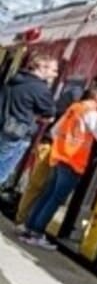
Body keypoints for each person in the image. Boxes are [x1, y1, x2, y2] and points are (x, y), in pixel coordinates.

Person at [17, 74, 97, 248]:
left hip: (59, 158)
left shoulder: (75, 108)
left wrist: (64, 146)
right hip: (73, 163)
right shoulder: (91, 113)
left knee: (47, 195)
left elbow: (56, 131)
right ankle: (37, 234)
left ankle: (29, 228)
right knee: (55, 200)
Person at [0, 54, 59, 189]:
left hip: (3, 127)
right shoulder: (40, 90)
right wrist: (36, 117)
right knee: (2, 173)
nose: (56, 74)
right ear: (42, 67)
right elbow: (50, 116)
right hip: (16, 135)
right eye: (53, 70)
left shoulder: (13, 81)